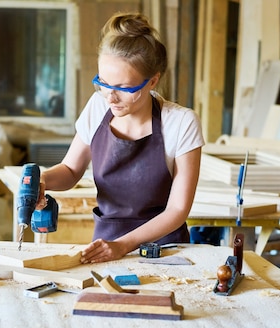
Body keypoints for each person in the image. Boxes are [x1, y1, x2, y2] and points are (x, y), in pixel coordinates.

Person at [38, 12, 205, 264]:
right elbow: (71, 169)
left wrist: (123, 245)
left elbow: (178, 210)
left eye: (124, 88)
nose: (110, 97)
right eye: (103, 83)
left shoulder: (181, 123)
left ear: (153, 82)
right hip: (104, 246)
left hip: (165, 250)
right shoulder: (98, 106)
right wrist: (43, 180)